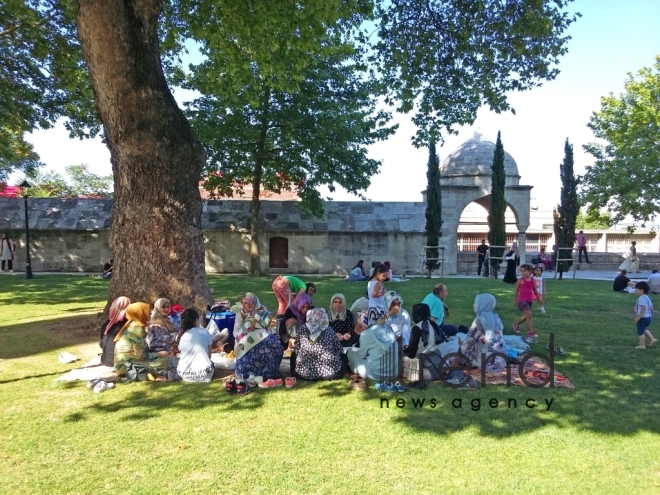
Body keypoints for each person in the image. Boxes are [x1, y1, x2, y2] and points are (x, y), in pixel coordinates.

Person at [113, 302, 175, 376]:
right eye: (148, 312)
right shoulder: (137, 331)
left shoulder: (135, 326)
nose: (150, 314)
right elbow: (140, 356)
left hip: (127, 363)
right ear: (141, 314)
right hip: (125, 366)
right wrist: (159, 354)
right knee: (165, 362)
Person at [453, 294, 507, 372]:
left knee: (462, 355)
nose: (473, 305)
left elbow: (468, 343)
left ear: (482, 305)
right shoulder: (496, 318)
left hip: (487, 364)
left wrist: (457, 357)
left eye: (476, 303)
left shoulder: (479, 320)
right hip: (502, 361)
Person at [291, 308, 347, 380]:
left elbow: (297, 349)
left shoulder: (302, 329)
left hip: (304, 373)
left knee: (293, 356)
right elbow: (339, 349)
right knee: (343, 357)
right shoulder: (329, 330)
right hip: (330, 372)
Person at [234, 300, 283, 381]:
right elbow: (279, 350)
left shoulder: (243, 330)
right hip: (268, 373)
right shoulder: (268, 337)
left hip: (242, 371)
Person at [347, 308, 398, 381]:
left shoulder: (366, 334)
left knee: (350, 351)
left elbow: (362, 355)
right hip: (393, 373)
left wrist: (362, 334)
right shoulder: (389, 328)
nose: (360, 322)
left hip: (374, 374)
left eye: (361, 319)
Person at [176, 308, 214, 382]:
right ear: (196, 320)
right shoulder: (205, 332)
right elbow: (209, 355)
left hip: (185, 374)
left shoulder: (182, 335)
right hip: (204, 375)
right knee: (211, 363)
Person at [99, 296, 131, 367]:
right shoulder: (128, 325)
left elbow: (101, 344)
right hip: (120, 363)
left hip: (106, 360)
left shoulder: (107, 324)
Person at [513, 264, 543, 338]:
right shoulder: (520, 280)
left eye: (525, 271)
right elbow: (516, 291)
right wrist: (515, 300)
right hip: (522, 301)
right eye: (521, 271)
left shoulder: (533, 280)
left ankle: (516, 324)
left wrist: (539, 298)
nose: (523, 273)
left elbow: (535, 290)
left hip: (529, 301)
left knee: (526, 316)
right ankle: (530, 332)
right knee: (529, 316)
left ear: (530, 271)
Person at [632, 281, 657, 349]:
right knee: (644, 329)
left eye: (636, 289)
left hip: (643, 318)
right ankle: (652, 339)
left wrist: (638, 316)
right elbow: (651, 307)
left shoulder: (641, 298)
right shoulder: (647, 297)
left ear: (641, 290)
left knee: (640, 331)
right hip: (648, 317)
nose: (635, 290)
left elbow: (644, 308)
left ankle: (642, 345)